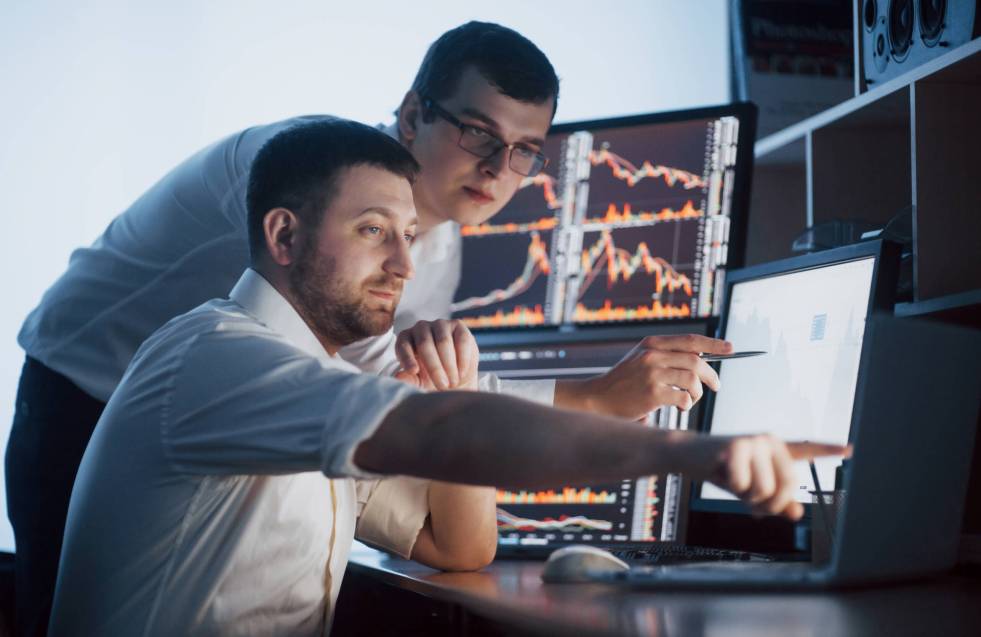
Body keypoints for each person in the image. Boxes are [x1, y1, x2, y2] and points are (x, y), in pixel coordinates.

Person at [11, 21, 727, 635]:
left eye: (523, 150)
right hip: (87, 397)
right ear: (413, 113)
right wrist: (599, 402)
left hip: (273, 426)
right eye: (478, 132)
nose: (497, 168)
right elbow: (405, 398)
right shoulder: (295, 174)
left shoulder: (430, 250)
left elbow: (415, 393)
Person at [48, 118, 846, 637]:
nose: (402, 264)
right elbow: (439, 434)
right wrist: (698, 453)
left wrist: (456, 396)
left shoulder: (306, 380)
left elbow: (455, 545)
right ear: (283, 235)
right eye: (371, 232)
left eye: (406, 234)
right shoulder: (222, 358)